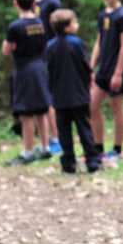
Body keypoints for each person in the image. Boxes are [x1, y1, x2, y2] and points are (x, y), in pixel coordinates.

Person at [46, 9, 103, 174]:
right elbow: (85, 65)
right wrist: (88, 81)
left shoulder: (50, 46)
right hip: (78, 96)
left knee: (64, 132)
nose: (77, 25)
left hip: (59, 97)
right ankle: (92, 163)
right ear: (66, 27)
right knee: (84, 129)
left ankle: (68, 164)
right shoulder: (76, 43)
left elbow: (48, 71)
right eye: (74, 22)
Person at [2, 0, 53, 166]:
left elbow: (7, 50)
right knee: (41, 109)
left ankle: (28, 151)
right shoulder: (39, 23)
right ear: (33, 3)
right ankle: (46, 147)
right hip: (40, 67)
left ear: (15, 3)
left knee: (26, 113)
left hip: (25, 69)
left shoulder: (15, 27)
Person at [90, 0, 123, 166]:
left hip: (118, 68)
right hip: (103, 68)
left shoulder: (122, 15)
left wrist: (118, 72)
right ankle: (97, 149)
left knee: (116, 106)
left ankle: (117, 150)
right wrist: (90, 66)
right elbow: (99, 41)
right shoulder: (102, 14)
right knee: (92, 105)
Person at [28, 0, 63, 156]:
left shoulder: (53, 2)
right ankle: (47, 138)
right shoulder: (32, 1)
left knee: (49, 97)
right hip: (36, 54)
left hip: (49, 54)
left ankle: (57, 138)